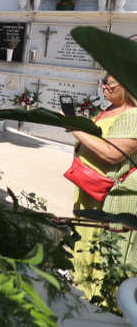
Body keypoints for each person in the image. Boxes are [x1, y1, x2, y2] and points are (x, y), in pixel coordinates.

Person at [69, 74, 137, 299]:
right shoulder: (111, 108)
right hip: (90, 191)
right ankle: (82, 295)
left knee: (105, 256)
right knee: (85, 246)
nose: (103, 86)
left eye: (109, 82)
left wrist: (72, 126)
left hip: (112, 199)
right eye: (102, 80)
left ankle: (101, 304)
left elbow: (112, 154)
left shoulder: (134, 115)